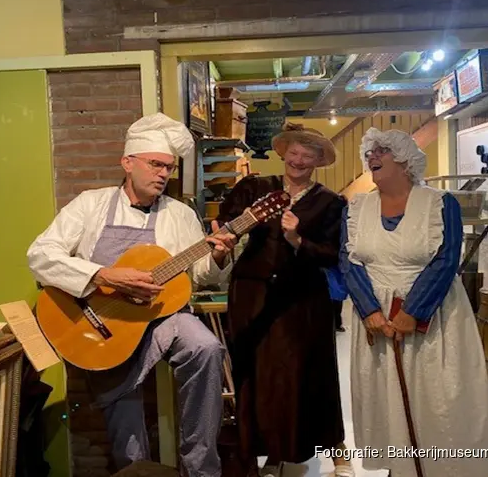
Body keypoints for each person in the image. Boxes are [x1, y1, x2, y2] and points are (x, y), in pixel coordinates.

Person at [26, 113, 237, 476]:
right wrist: (104, 275)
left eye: (169, 168)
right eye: (156, 164)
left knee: (206, 348)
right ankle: (135, 469)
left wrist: (217, 255)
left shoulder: (181, 214)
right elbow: (40, 255)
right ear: (128, 162)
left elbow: (198, 277)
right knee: (122, 410)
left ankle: (201, 467)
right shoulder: (91, 204)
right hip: (103, 322)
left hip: (164, 319)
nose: (163, 174)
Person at [338, 128, 488, 477]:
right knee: (385, 395)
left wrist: (411, 313)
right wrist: (370, 310)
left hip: (434, 316)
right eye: (369, 151)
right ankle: (402, 468)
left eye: (382, 150)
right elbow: (348, 261)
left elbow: (446, 260)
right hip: (375, 318)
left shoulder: (439, 203)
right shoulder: (356, 208)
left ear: (404, 160)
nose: (372, 156)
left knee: (440, 394)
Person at [212, 122, 353, 477]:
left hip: (302, 301)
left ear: (319, 161)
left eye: (308, 154)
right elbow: (223, 226)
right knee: (254, 376)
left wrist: (296, 240)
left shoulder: (332, 203)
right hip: (251, 295)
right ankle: (262, 455)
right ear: (283, 152)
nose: (299, 159)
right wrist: (222, 242)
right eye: (294, 152)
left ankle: (325, 452)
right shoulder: (254, 188)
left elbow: (333, 254)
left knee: (305, 375)